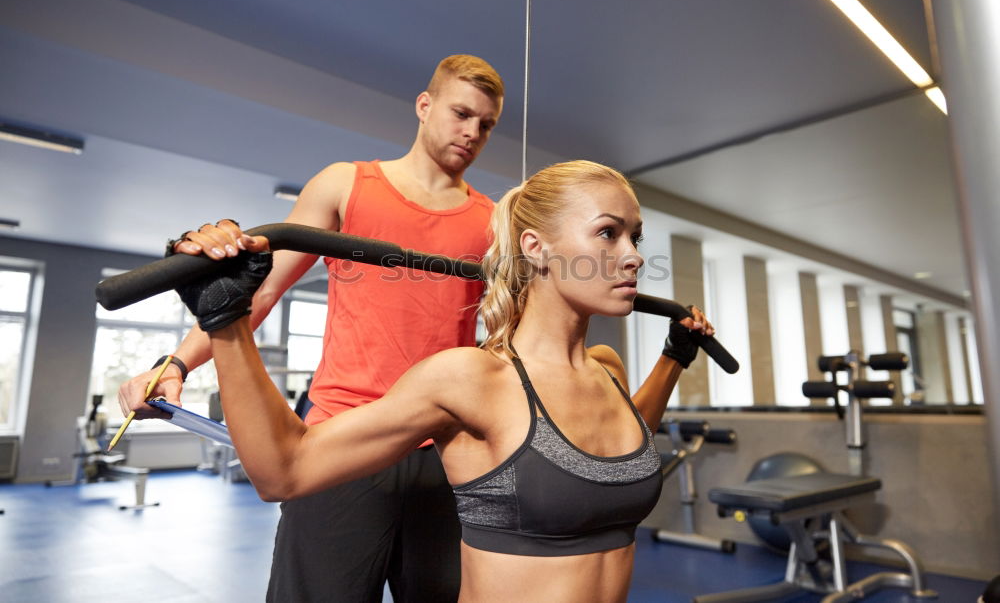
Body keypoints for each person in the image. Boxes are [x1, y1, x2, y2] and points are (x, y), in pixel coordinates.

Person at [170, 160, 715, 603]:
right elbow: (283, 471)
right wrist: (227, 323)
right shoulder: (472, 380)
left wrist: (672, 358)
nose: (634, 257)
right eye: (608, 234)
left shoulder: (606, 370)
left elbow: (621, 447)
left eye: (635, 237)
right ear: (535, 248)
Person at [117, 54, 505, 601]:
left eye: (486, 124)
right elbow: (260, 290)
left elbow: (507, 334)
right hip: (343, 438)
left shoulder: (492, 222)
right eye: (462, 113)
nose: (472, 132)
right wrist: (177, 364)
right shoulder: (347, 185)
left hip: (444, 450)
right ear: (424, 106)